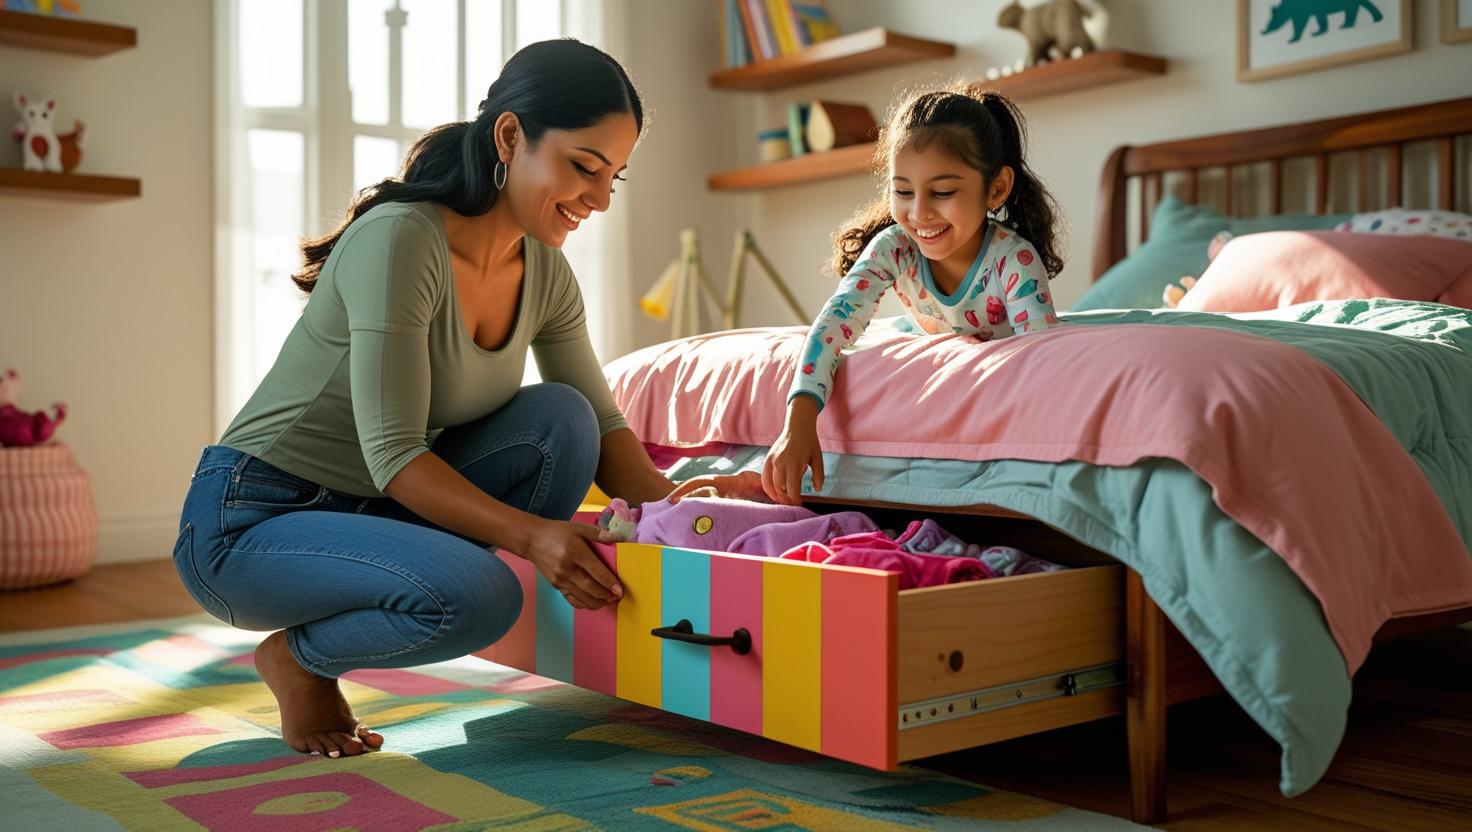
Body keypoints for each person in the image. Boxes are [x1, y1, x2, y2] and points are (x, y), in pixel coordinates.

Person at [174, 39, 752, 761]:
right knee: (481, 595)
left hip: (376, 511)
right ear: (510, 137)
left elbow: (602, 426)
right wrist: (534, 537)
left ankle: (454, 585)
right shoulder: (400, 241)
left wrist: (687, 514)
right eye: (584, 167)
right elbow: (394, 455)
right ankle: (299, 660)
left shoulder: (545, 271)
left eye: (615, 177)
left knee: (563, 419)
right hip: (252, 521)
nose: (601, 199)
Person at [762, 87, 1064, 505]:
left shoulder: (1014, 260)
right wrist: (798, 422)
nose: (919, 213)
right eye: (903, 192)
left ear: (996, 189)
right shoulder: (894, 248)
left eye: (942, 193)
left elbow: (1043, 362)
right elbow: (835, 322)